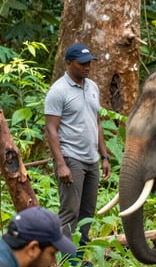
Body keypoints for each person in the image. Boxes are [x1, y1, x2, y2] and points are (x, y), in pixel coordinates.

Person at [44, 42, 111, 247]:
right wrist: (61, 164)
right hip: (71, 158)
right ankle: (65, 257)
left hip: (92, 160)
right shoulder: (58, 91)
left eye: (89, 62)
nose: (87, 67)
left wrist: (104, 155)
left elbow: (96, 121)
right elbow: (51, 129)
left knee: (87, 211)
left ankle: (80, 253)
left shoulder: (92, 87)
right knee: (70, 211)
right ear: (68, 63)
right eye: (82, 63)